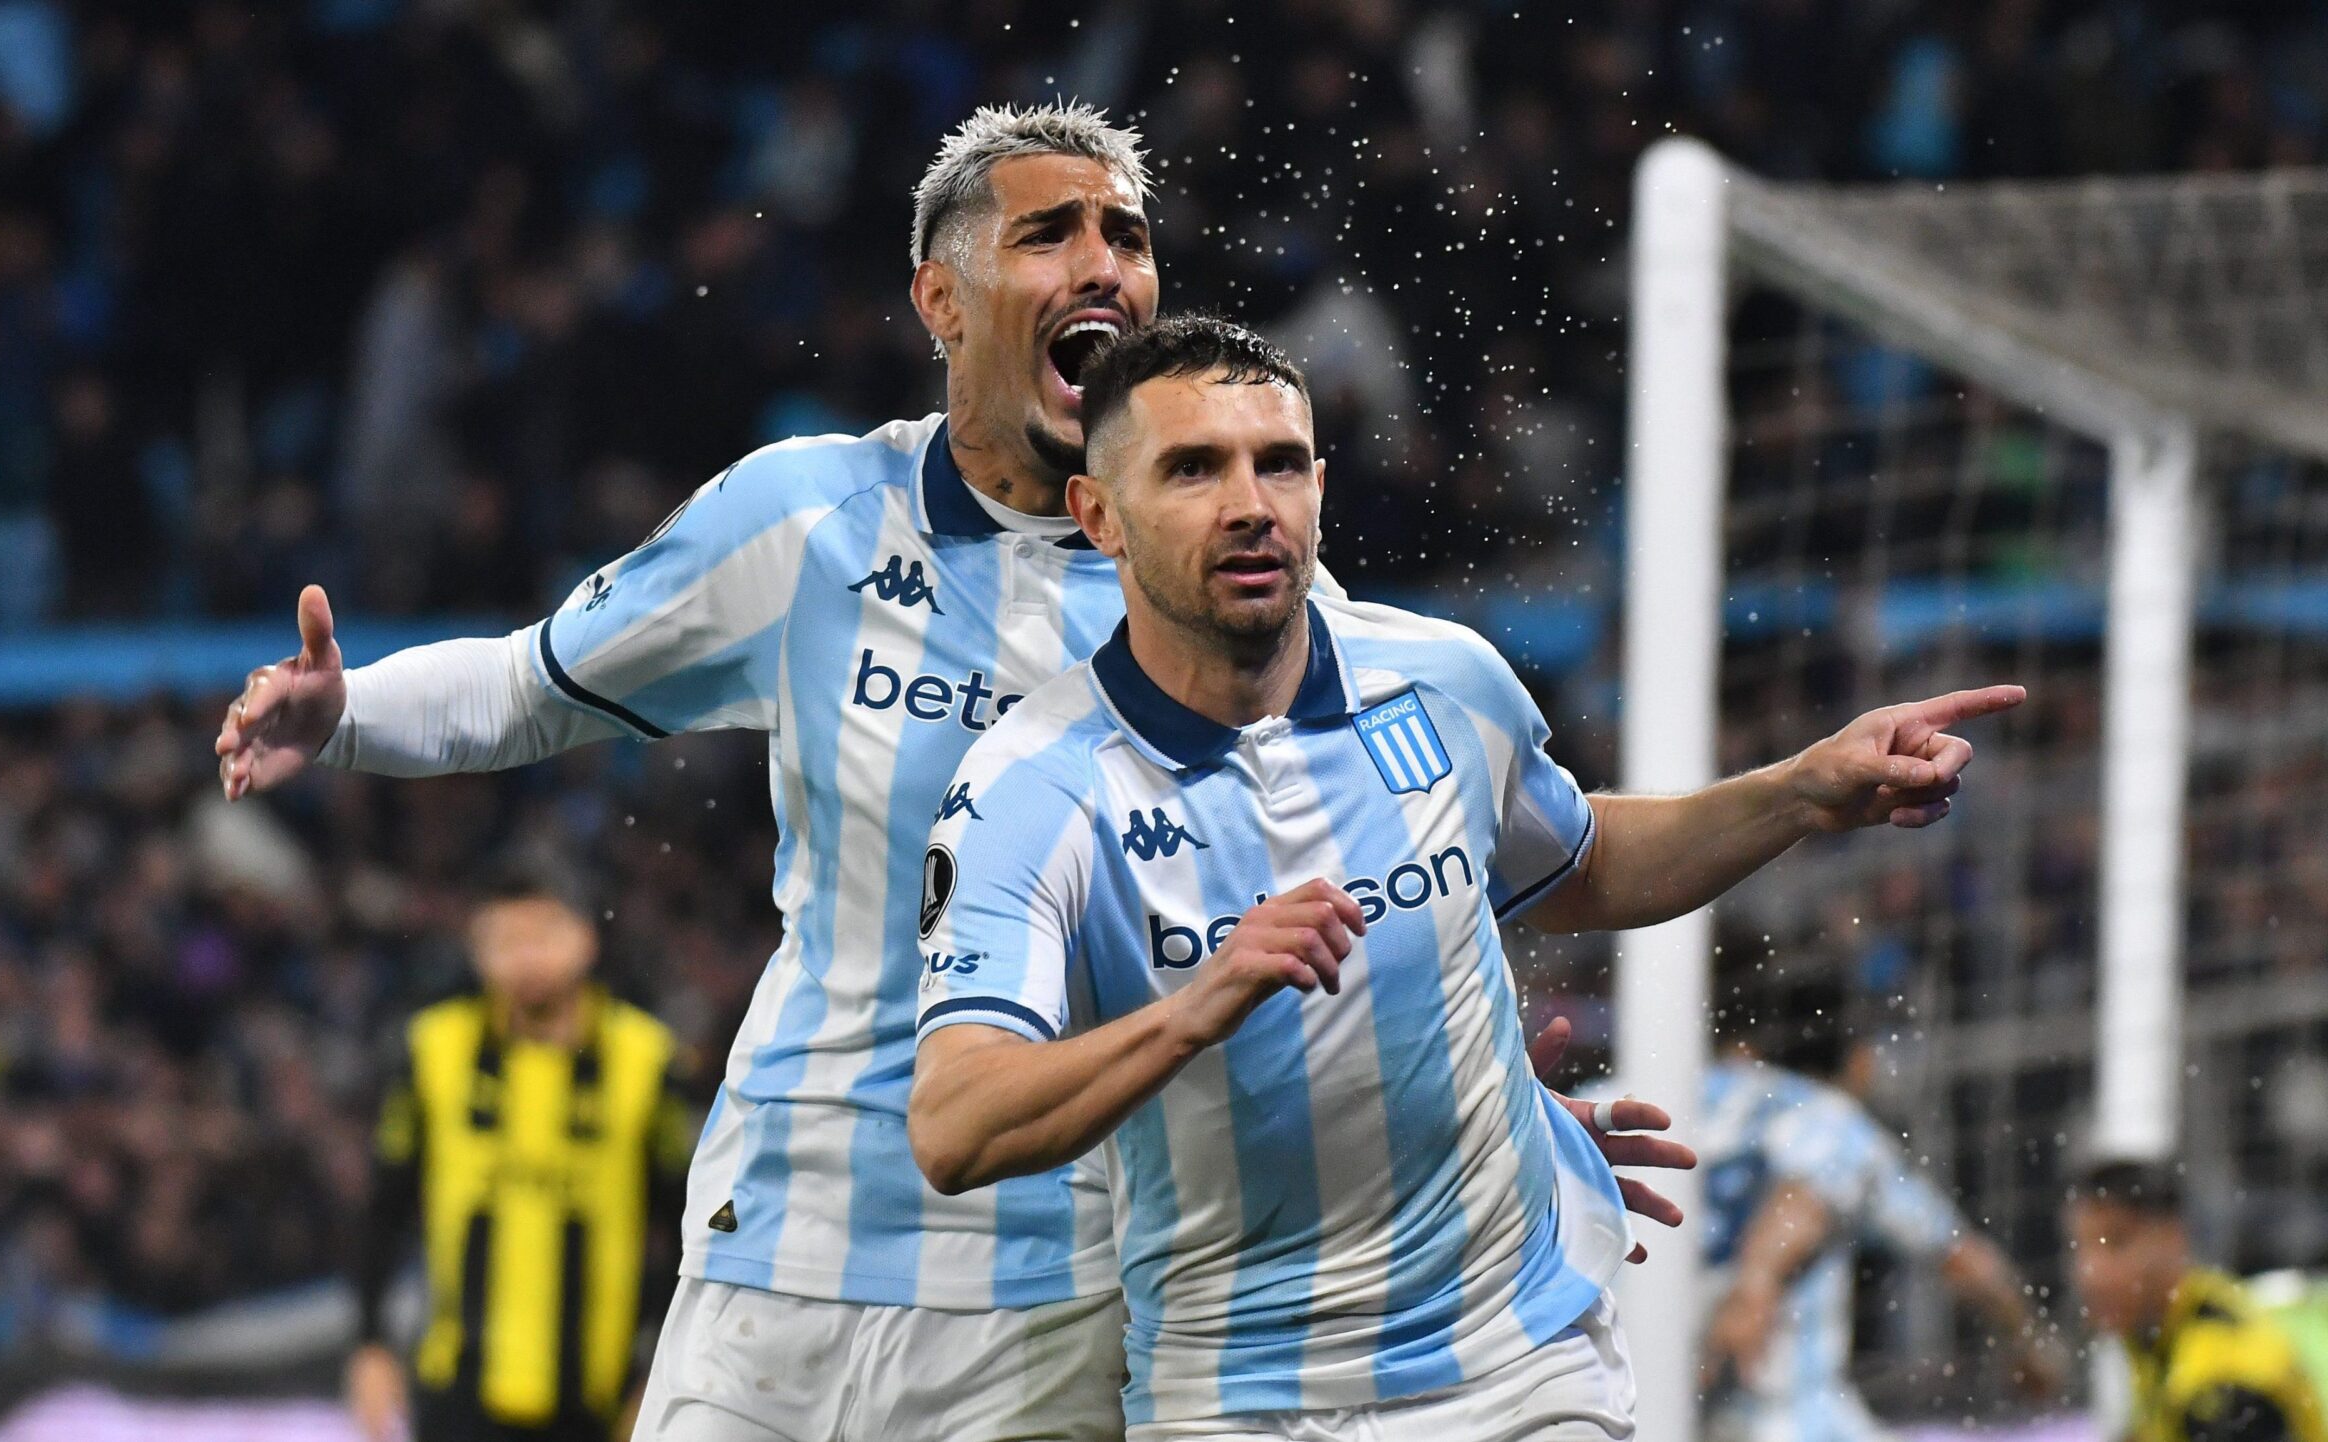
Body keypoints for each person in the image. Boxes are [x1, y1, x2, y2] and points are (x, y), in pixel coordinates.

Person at [219, 103, 1683, 1442]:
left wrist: (1486, 1130)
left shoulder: (1242, 593)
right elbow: (530, 684)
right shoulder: (808, 522)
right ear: (941, 298)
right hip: (778, 1253)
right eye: (1051, 233)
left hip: (1058, 1299)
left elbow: (1358, 894)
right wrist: (342, 714)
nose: (1103, 264)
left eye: (1127, 236)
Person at [907, 315, 2023, 1440]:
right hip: (1237, 1392)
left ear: (1319, 488)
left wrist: (1797, 792)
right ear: (1099, 513)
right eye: (1193, 469)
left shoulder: (1443, 681)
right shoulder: (1032, 787)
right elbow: (956, 1126)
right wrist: (1199, 1006)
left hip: (1518, 1362)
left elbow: (1582, 863)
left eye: (1279, 464)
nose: (1250, 504)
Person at [346, 879, 696, 1442]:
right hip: (457, 1396)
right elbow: (381, 1212)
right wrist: (370, 1344)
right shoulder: (433, 1049)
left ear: (585, 939)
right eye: (504, 941)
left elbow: (688, 1227)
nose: (526, 958)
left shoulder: (647, 1059)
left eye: (542, 935)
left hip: (599, 1401)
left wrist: (665, 1369)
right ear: (475, 951)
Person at [1698, 980, 2065, 1442]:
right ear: (1859, 1061)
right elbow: (1959, 1256)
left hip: (1642, 1401)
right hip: (1779, 1416)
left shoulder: (1658, 1094)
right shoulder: (1831, 1120)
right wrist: (2030, 1339)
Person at [2067, 1159, 2327, 1442]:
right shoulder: (2174, 1320)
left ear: (2172, 1238)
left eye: (2116, 1243)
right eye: (2081, 1247)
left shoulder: (2222, 1383)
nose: (2090, 1272)